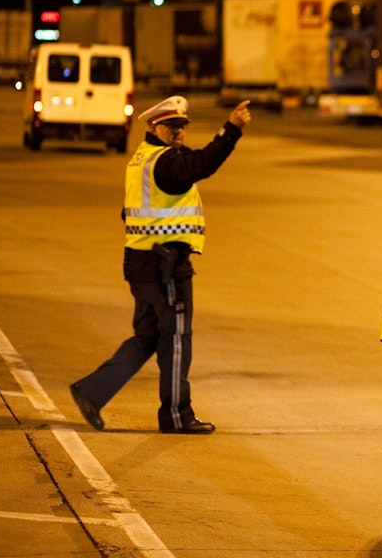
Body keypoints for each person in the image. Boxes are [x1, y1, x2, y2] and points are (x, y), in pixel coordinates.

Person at [70, 95, 252, 434]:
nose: (179, 132)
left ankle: (92, 391)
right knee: (177, 338)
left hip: (140, 263)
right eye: (172, 126)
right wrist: (231, 130)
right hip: (164, 266)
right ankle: (176, 415)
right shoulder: (167, 163)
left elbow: (128, 211)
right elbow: (202, 165)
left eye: (183, 126)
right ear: (155, 126)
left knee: (148, 336)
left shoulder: (142, 159)